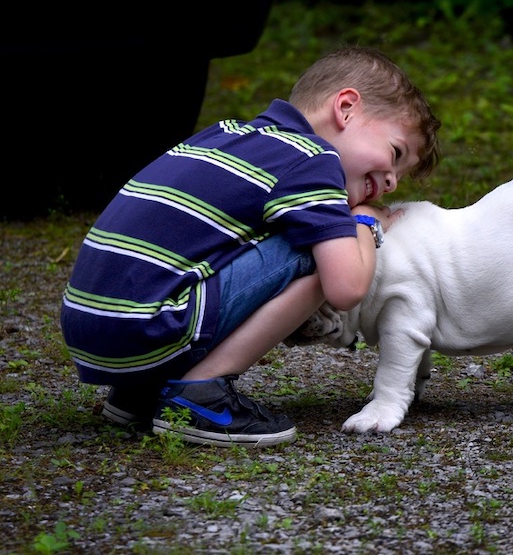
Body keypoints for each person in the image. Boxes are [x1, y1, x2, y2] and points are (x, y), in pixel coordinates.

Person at [59, 46, 441, 448]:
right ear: (345, 108)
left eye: (400, 175)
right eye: (395, 154)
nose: (393, 183)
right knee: (318, 246)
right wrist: (363, 222)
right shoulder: (313, 161)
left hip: (92, 328)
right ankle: (199, 394)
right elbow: (346, 288)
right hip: (148, 326)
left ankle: (140, 392)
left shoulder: (225, 135)